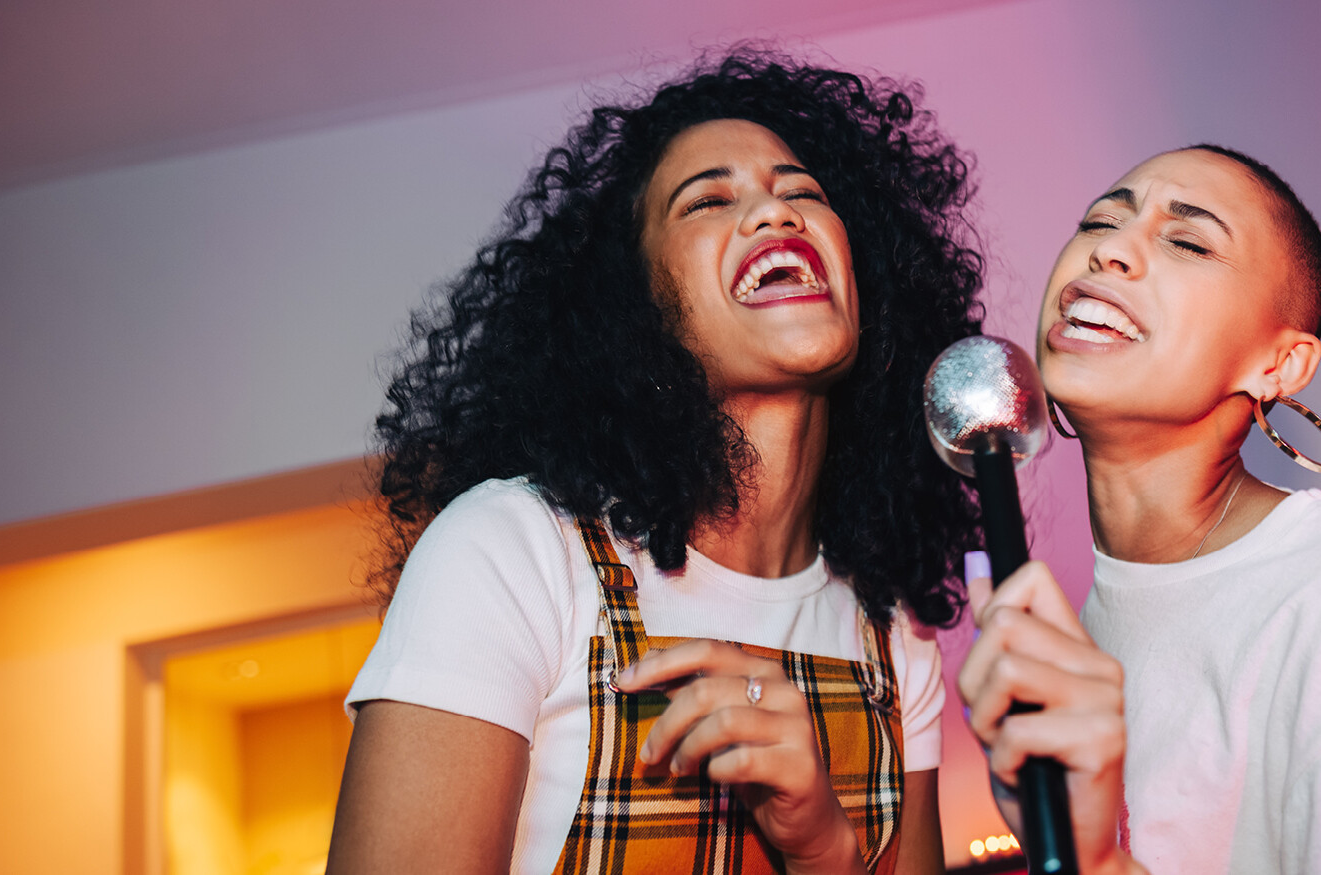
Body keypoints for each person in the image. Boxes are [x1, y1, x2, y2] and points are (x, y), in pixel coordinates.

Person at [326, 50, 984, 874]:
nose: (774, 214)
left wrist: (822, 845)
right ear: (634, 309)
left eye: (804, 192)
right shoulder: (511, 552)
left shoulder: (893, 638)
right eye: (710, 199)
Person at [958, 145, 1321, 874]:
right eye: (1099, 222)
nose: (1112, 253)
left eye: (1188, 240)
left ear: (1279, 366)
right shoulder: (1075, 640)